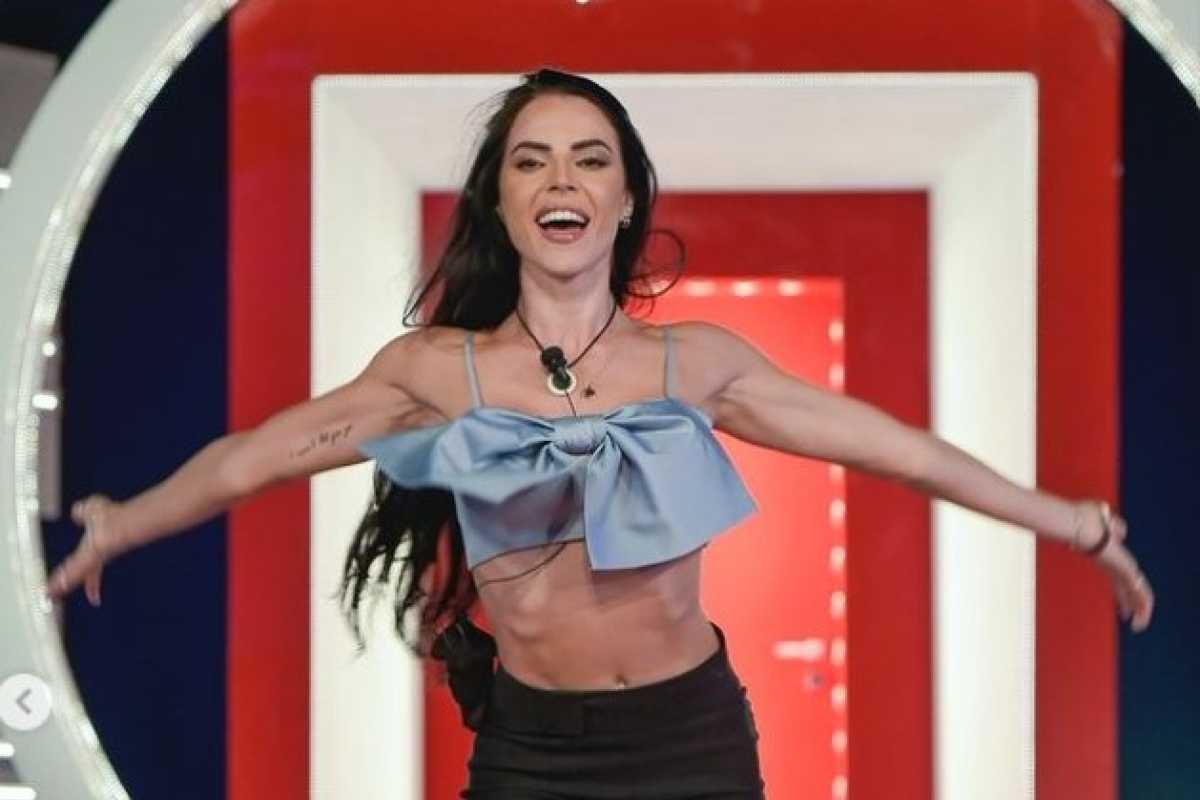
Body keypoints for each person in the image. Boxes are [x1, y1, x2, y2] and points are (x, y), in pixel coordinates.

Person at [45, 68, 1155, 799]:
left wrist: (1076, 522)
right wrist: (124, 522)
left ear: (626, 200)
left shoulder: (695, 363)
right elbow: (257, 454)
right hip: (531, 752)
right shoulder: (435, 374)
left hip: (693, 742)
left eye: (589, 158)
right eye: (531, 160)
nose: (560, 178)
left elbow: (898, 447)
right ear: (501, 203)